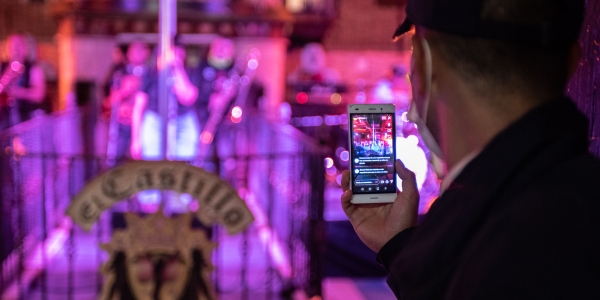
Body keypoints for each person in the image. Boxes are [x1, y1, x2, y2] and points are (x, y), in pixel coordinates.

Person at [341, 0, 600, 298]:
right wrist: (398, 245)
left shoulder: (493, 237)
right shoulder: (566, 206)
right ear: (572, 60)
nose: (412, 113)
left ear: (424, 67)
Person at [0, 33, 46, 129]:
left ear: (25, 48)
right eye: (12, 45)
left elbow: (39, 94)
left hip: (27, 119)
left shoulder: (33, 68)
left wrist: (18, 92)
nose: (15, 49)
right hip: (5, 120)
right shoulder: (2, 67)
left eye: (18, 45)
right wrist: (8, 75)